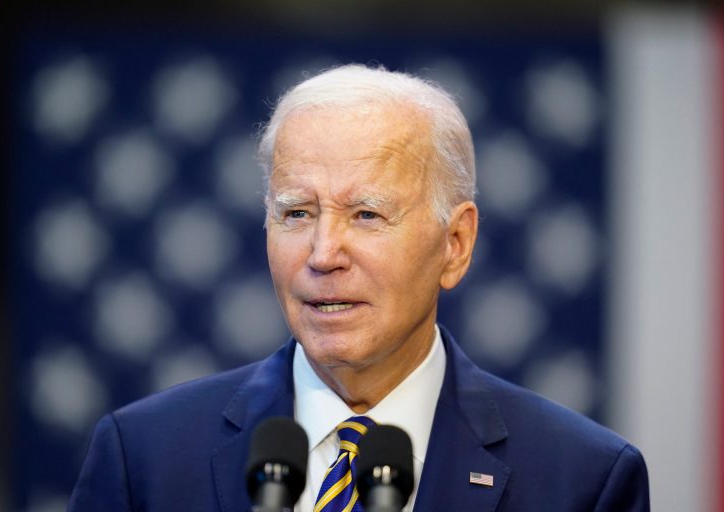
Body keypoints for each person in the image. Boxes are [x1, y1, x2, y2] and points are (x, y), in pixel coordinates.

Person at [68, 64, 650, 512]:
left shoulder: (583, 479)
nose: (323, 254)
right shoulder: (143, 457)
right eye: (296, 213)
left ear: (455, 244)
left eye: (367, 215)